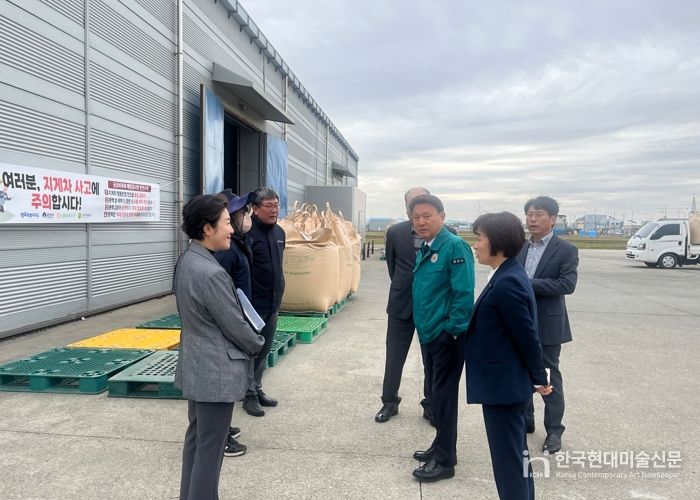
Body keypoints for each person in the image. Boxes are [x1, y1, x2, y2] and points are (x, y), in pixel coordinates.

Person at [173, 194, 265, 500]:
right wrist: (258, 343)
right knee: (210, 451)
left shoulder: (188, 260)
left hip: (198, 365)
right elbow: (234, 324)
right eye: (226, 222)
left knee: (197, 441)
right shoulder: (211, 273)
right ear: (207, 229)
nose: (232, 229)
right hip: (215, 372)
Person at [466, 212, 553, 500]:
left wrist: (539, 377)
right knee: (517, 457)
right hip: (506, 385)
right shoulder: (507, 274)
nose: (475, 245)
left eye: (479, 238)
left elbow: (527, 336)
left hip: (504, 388)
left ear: (498, 242)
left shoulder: (508, 282)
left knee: (509, 464)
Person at [410, 194, 474, 482]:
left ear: (442, 216)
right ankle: (440, 445)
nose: (421, 221)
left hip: (446, 336)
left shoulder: (454, 246)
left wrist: (452, 331)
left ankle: (445, 461)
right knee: (436, 397)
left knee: (444, 399)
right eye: (416, 217)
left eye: (427, 216)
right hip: (428, 334)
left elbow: (463, 293)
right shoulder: (426, 246)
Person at [517, 196, 578, 454]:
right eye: (529, 214)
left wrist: (527, 283)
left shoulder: (565, 250)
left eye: (538, 214)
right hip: (520, 321)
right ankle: (526, 418)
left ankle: (554, 430)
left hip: (548, 324)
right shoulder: (520, 247)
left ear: (552, 219)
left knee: (548, 376)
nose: (532, 219)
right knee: (521, 373)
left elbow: (567, 284)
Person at [375, 186, 432, 424]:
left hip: (432, 308)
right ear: (407, 209)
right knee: (394, 357)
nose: (417, 209)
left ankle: (431, 405)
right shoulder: (396, 233)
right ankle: (389, 402)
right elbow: (393, 266)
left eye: (422, 202)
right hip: (401, 305)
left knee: (431, 359)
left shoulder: (446, 234)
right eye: (412, 205)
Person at [214, 189, 255, 458]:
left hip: (239, 318)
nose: (245, 216)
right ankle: (221, 437)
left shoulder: (237, 244)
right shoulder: (224, 253)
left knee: (228, 381)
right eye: (240, 213)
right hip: (228, 326)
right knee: (222, 383)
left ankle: (223, 428)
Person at [243, 187, 286, 417]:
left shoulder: (279, 232)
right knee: (250, 350)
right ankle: (248, 395)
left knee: (264, 350)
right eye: (268, 206)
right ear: (255, 209)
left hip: (272, 304)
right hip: (252, 306)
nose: (274, 210)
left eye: (276, 205)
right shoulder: (247, 234)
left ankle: (257, 387)